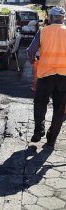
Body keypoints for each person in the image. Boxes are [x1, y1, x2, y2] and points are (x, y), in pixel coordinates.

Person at [26, 6, 66, 146]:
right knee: (59, 109)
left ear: (50, 18)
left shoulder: (43, 31)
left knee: (40, 103)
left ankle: (39, 130)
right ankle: (52, 138)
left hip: (45, 74)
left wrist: (34, 62)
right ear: (63, 18)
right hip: (64, 77)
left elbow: (31, 51)